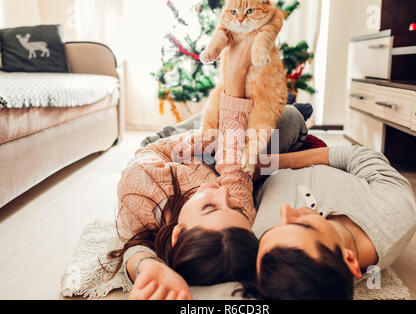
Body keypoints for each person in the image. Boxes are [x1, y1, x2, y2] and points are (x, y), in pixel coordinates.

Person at [106, 36, 311, 300]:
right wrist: (229, 143)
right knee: (289, 120)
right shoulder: (242, 212)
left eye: (209, 206)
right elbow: (235, 160)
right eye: (235, 207)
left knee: (240, 125)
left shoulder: (141, 186)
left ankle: (262, 109)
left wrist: (149, 265)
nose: (223, 193)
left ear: (177, 234)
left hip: (168, 150)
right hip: (223, 155)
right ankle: (280, 106)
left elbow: (133, 245)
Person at [237, 145, 416, 300]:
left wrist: (260, 169)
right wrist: (269, 163)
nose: (286, 210)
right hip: (302, 148)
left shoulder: (263, 250)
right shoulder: (395, 210)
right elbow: (359, 155)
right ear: (349, 259)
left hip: (265, 159)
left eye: (272, 229)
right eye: (304, 225)